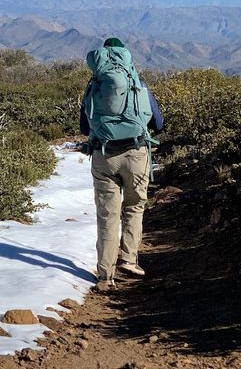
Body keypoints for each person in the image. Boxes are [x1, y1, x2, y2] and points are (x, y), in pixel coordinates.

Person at [80, 37, 163, 292]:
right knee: (134, 207)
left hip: (104, 156)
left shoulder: (94, 86)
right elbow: (158, 123)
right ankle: (129, 259)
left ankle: (105, 275)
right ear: (126, 57)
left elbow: (85, 128)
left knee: (107, 215)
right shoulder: (138, 85)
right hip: (136, 154)